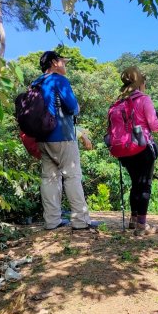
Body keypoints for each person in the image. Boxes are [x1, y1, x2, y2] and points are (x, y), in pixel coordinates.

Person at [115, 66, 158, 235]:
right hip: (143, 148)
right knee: (144, 185)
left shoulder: (119, 102)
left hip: (125, 149)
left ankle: (133, 220)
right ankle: (142, 225)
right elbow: (155, 125)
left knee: (135, 185)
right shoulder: (144, 99)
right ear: (140, 84)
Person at [35, 50, 98, 231]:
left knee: (49, 178)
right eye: (64, 62)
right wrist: (76, 106)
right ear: (55, 62)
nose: (65, 65)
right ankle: (80, 221)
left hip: (42, 138)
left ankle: (52, 221)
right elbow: (72, 107)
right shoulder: (59, 80)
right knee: (72, 176)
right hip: (61, 136)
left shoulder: (36, 82)